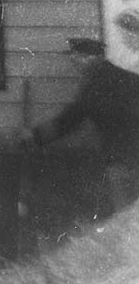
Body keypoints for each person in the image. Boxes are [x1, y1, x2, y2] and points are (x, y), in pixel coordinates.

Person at [26, 37, 139, 214]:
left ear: (91, 58)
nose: (75, 65)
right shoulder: (129, 78)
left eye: (76, 59)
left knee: (125, 214)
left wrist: (34, 136)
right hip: (129, 154)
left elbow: (70, 120)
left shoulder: (96, 86)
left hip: (122, 159)